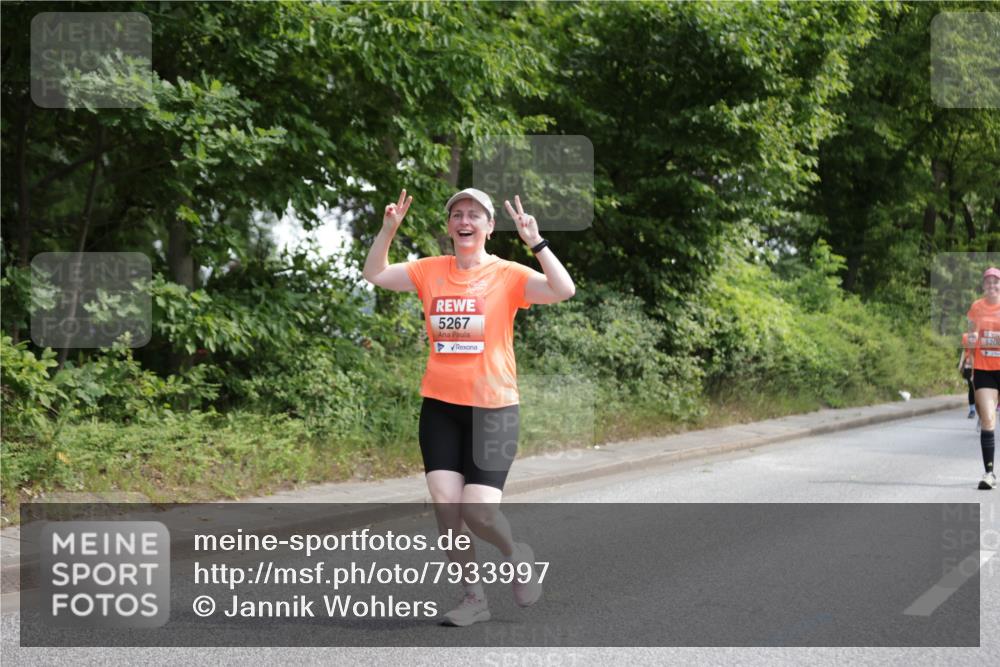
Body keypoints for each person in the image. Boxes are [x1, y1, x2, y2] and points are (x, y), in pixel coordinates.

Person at [363, 187, 576, 625]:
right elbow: (376, 274)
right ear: (450, 227)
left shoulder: (508, 274)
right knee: (446, 506)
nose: (465, 220)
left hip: (494, 409)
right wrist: (387, 230)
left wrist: (536, 242)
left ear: (487, 227)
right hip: (441, 406)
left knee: (478, 511)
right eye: (457, 214)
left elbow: (563, 289)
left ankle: (516, 555)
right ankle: (473, 598)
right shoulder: (430, 270)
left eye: (474, 214)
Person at [965, 266, 1000, 490]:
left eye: (996, 282)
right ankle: (989, 473)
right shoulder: (976, 307)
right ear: (983, 286)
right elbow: (970, 335)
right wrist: (968, 357)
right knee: (987, 419)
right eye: (988, 282)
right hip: (985, 370)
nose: (992, 285)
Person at [959, 348, 975, 418]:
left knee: (979, 389)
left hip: (979, 367)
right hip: (968, 368)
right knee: (971, 388)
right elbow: (965, 350)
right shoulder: (968, 337)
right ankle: (972, 410)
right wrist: (961, 362)